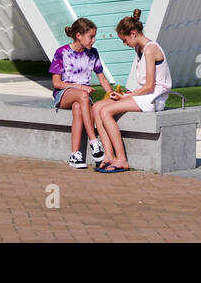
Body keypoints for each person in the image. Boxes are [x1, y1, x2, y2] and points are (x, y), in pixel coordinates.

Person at [92, 10, 172, 173]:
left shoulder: (150, 49)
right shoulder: (139, 49)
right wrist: (127, 95)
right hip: (144, 95)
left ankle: (121, 159)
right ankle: (109, 156)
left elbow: (150, 86)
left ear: (133, 33)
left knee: (106, 111)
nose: (125, 43)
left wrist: (126, 96)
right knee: (97, 108)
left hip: (154, 98)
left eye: (125, 39)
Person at [49, 18, 112, 168]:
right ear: (79, 36)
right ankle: (94, 141)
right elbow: (56, 83)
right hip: (63, 94)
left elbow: (102, 78)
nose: (93, 40)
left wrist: (111, 94)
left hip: (82, 100)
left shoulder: (93, 53)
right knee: (82, 95)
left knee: (78, 107)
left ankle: (75, 156)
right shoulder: (62, 52)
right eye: (91, 37)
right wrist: (80, 87)